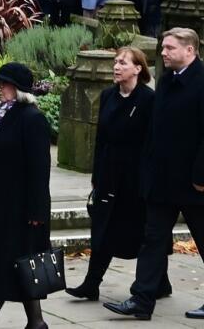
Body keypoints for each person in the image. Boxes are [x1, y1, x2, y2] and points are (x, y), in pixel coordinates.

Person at [104, 28, 204, 321]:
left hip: (196, 183)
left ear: (190, 50)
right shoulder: (165, 80)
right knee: (153, 238)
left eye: (170, 48)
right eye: (163, 47)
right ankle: (142, 298)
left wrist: (201, 176)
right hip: (163, 180)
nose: (163, 53)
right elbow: (156, 129)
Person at [66, 47, 172, 301]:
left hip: (136, 176)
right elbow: (100, 137)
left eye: (123, 63)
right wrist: (96, 172)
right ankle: (91, 283)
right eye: (115, 62)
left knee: (143, 231)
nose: (116, 67)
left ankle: (160, 283)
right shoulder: (107, 96)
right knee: (103, 229)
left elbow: (155, 142)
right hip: (109, 173)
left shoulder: (148, 100)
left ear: (138, 69)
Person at [0, 62, 51, 329]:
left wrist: (37, 211)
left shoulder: (32, 118)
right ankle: (36, 322)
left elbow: (40, 168)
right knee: (20, 265)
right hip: (1, 205)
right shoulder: (2, 115)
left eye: (4, 84)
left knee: (6, 265)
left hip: (21, 208)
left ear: (17, 89)